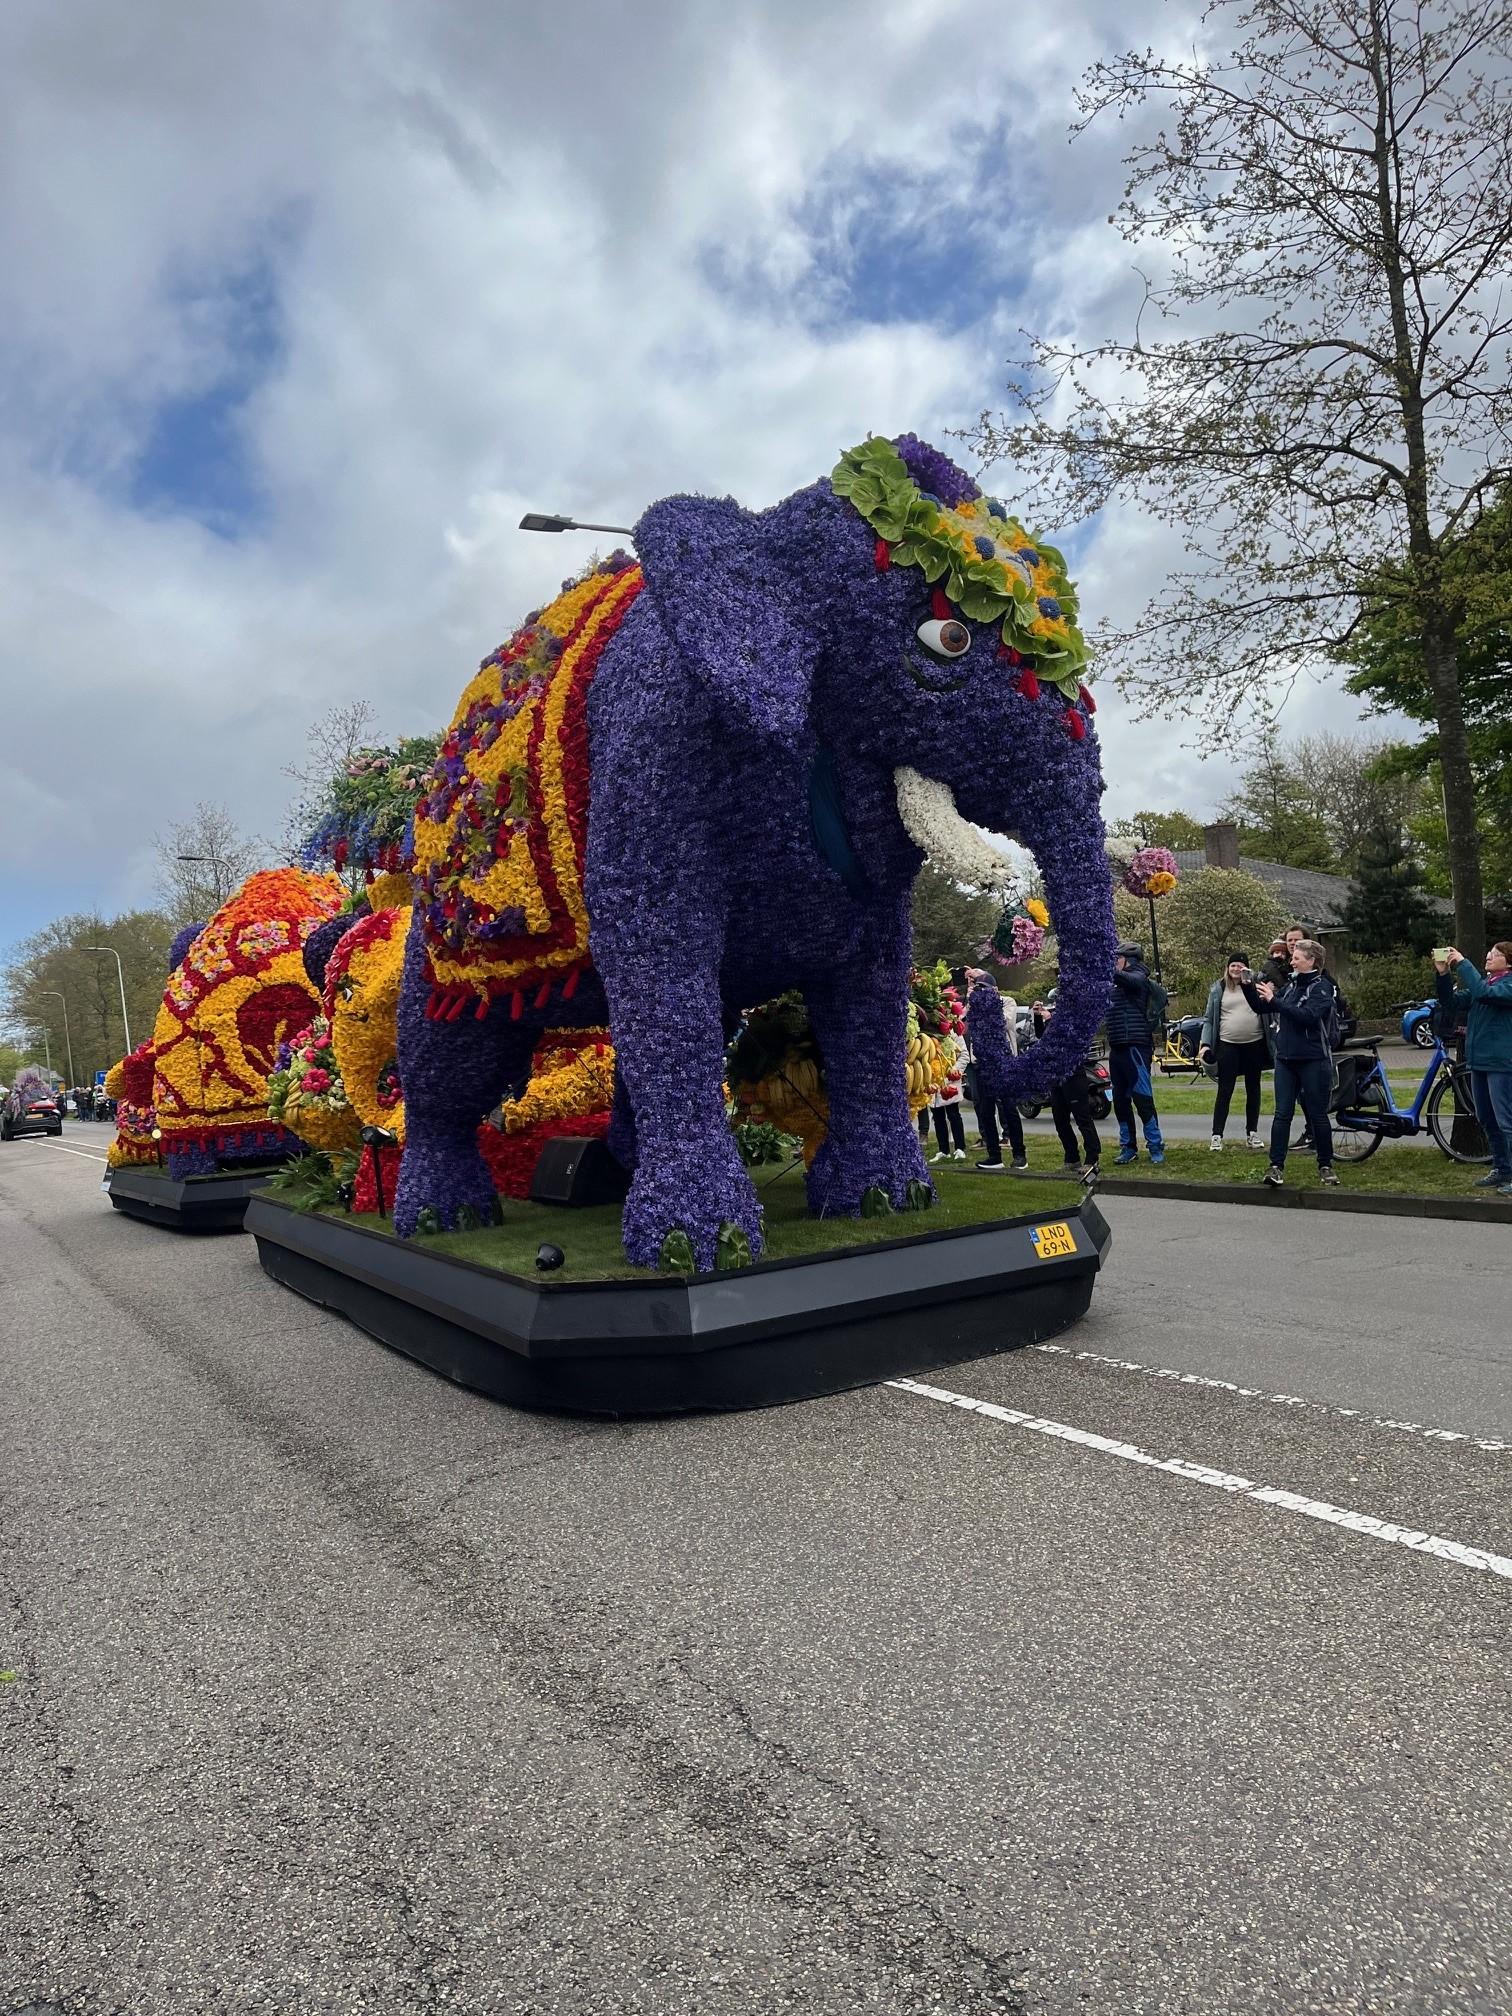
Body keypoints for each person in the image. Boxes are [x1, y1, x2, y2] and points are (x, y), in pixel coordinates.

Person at [1255, 936, 1338, 1187]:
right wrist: (1251, 988)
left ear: (1311, 961)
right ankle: (1275, 1167)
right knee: (1282, 1114)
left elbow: (1307, 1016)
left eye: (1297, 958)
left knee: (1317, 1115)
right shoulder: (1290, 987)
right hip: (1286, 1059)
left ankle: (1325, 1164)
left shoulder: (1322, 987)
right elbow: (1265, 1009)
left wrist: (1274, 1000)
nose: (1292, 962)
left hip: (1313, 1059)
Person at [1436, 942, 1512, 1194]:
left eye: (1496, 954)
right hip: (1479, 1061)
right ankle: (1502, 1168)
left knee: (1506, 1121)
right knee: (1486, 1118)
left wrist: (1462, 962)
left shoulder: (1506, 986)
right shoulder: (1488, 984)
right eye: (1489, 952)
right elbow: (1451, 1002)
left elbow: (1482, 994)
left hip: (1501, 1062)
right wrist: (1443, 974)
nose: (1489, 956)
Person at [1198, 953, 1269, 1150]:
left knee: (1253, 1089)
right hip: (1228, 1044)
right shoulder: (1218, 988)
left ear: (1247, 968)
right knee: (1225, 1090)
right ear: (1228, 968)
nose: (1236, 969)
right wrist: (1205, 1044)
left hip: (1254, 1043)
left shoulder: (1257, 985)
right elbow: (1209, 1019)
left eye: (1240, 966)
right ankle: (1217, 1135)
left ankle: (1252, 1133)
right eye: (1233, 965)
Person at [964, 970, 1028, 1173]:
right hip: (983, 1064)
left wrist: (985, 1005)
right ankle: (994, 1155)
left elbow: (1006, 1022)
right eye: (979, 989)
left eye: (985, 990)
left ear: (995, 990)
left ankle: (1020, 1154)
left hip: (1004, 1062)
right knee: (985, 1111)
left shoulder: (1007, 1001)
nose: (981, 994)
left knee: (1009, 1109)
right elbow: (963, 1024)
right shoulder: (973, 1005)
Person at [1106, 941, 1164, 1165]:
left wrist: (1107, 969)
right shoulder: (1115, 981)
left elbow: (1128, 979)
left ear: (1128, 960)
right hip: (1117, 1047)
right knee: (1120, 1100)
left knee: (1143, 1099)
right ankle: (1128, 1146)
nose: (1113, 963)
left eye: (1116, 958)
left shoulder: (1138, 977)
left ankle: (1155, 1145)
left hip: (1136, 1047)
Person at [1034, 996, 1101, 1176]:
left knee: (1082, 1118)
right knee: (1060, 1119)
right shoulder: (1056, 1021)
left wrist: (1050, 1021)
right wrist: (1038, 1018)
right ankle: (1071, 1157)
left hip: (1073, 1076)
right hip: (1057, 1077)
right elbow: (1044, 1038)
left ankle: (1093, 1157)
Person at [925, 1026, 969, 1162]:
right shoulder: (926, 1033)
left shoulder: (952, 1031)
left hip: (949, 1079)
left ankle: (960, 1148)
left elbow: (964, 1055)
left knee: (953, 1114)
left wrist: (954, 1070)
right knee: (937, 1117)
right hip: (933, 1081)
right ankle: (943, 1150)